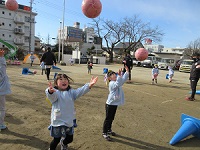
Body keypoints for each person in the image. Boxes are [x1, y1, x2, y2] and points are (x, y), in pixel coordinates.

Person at [46, 73, 98, 150]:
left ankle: (63, 143)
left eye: (65, 79)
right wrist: (50, 91)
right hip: (58, 121)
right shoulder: (55, 92)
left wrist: (89, 85)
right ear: (56, 83)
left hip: (68, 121)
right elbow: (51, 96)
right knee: (56, 140)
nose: (63, 81)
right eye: (60, 79)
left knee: (70, 138)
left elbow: (80, 91)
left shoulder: (71, 92)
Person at [102, 65, 129, 141]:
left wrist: (127, 72)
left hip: (114, 104)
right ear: (109, 78)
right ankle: (104, 132)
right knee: (108, 119)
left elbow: (122, 81)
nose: (115, 75)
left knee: (112, 118)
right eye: (113, 75)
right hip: (110, 104)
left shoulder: (117, 81)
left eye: (115, 74)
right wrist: (120, 76)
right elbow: (118, 83)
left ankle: (109, 130)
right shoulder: (111, 83)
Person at [0, 49, 11, 130]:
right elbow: (3, 67)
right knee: (2, 108)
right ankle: (1, 124)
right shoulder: (2, 72)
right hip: (1, 91)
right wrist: (2, 57)